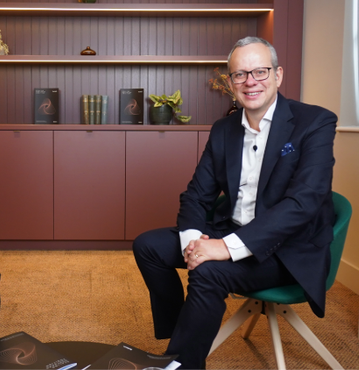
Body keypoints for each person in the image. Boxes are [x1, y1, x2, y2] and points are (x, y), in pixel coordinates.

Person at [133, 36, 337, 369]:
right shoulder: (224, 129)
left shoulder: (314, 122)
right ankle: (180, 338)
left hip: (287, 249)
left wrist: (224, 248)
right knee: (148, 246)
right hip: (233, 227)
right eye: (240, 74)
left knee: (210, 271)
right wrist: (194, 245)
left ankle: (179, 365)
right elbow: (197, 194)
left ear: (278, 75)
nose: (250, 81)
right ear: (231, 83)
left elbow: (304, 202)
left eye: (260, 71)